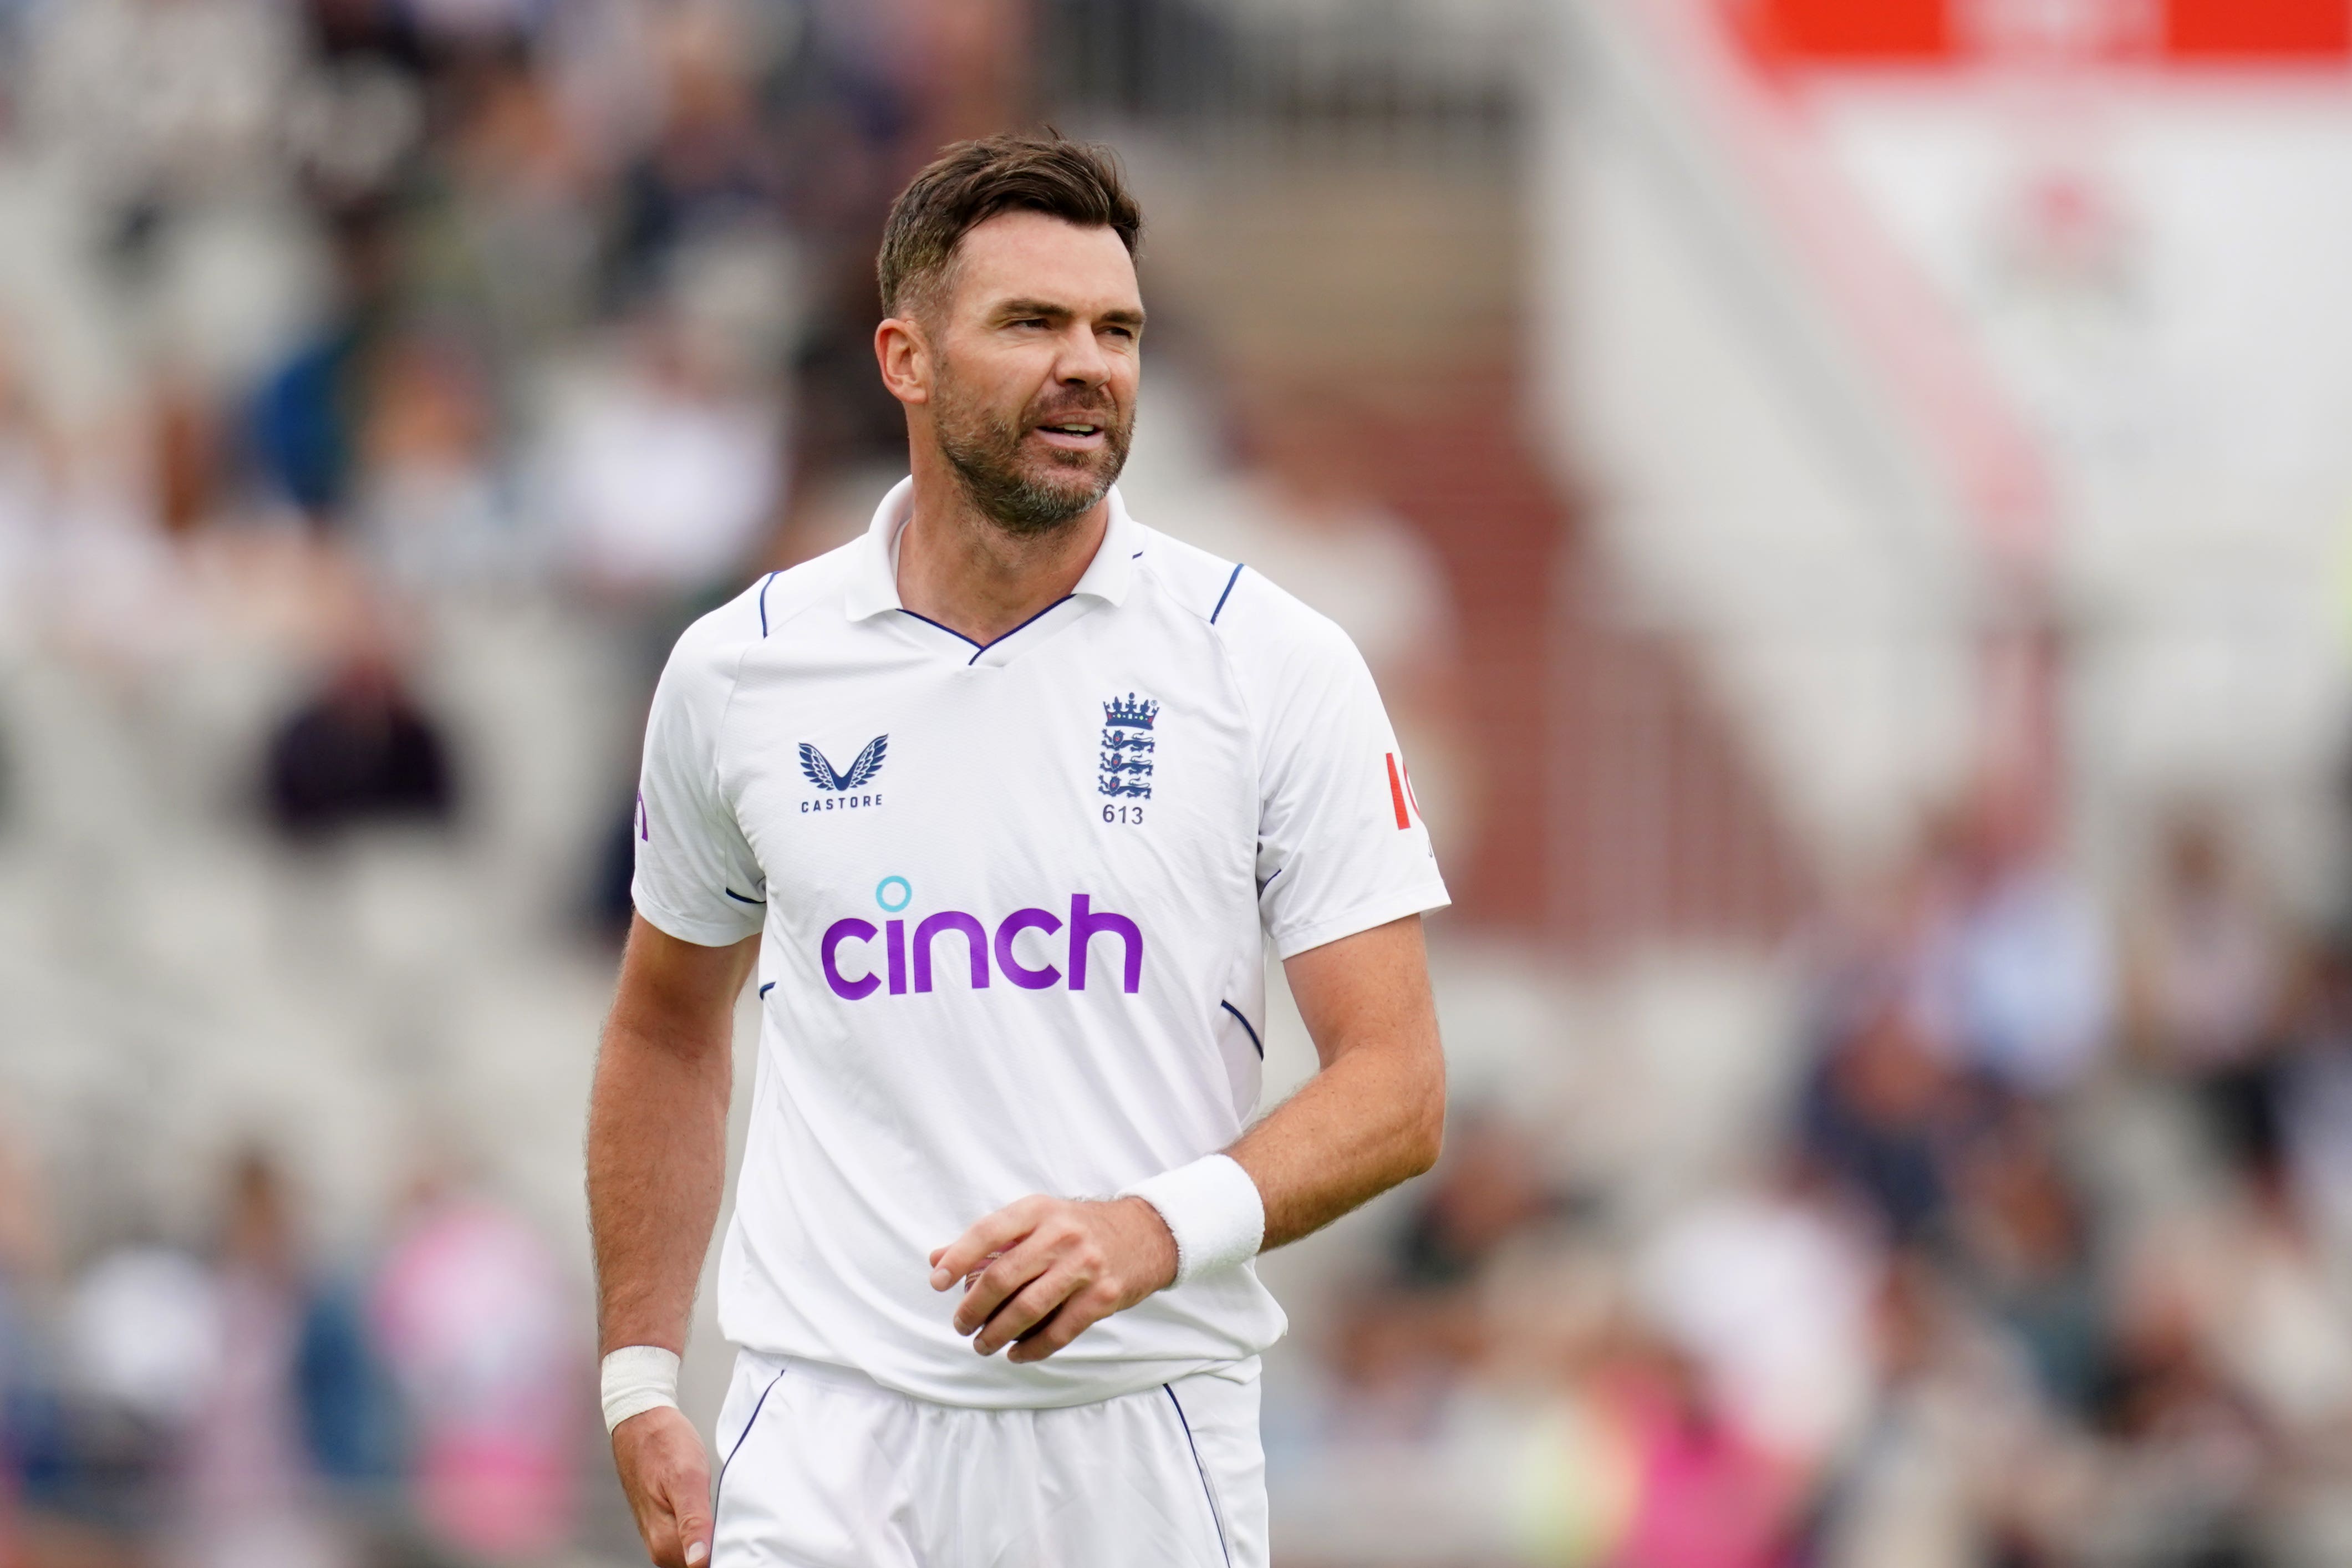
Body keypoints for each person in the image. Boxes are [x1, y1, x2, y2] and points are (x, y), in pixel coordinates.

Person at [586, 132, 1449, 1568]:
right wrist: (638, 1376)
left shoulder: (1270, 665)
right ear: (904, 359)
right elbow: (667, 1026)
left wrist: (1149, 1229)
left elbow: (1397, 1085)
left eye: (1116, 330)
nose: (1089, 365)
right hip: (823, 1433)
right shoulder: (739, 671)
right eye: (1032, 323)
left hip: (1138, 1429)